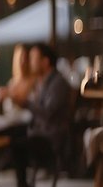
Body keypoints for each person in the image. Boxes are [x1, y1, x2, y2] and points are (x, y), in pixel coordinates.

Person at [25, 42, 74, 177]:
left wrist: (25, 103)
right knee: (13, 133)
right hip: (41, 132)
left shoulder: (58, 83)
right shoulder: (42, 82)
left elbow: (48, 112)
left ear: (45, 62)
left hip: (51, 135)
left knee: (16, 136)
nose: (30, 63)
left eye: (33, 58)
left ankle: (23, 182)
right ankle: (22, 182)